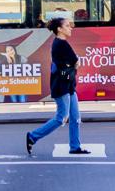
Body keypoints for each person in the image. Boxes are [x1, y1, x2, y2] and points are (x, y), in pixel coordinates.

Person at [26, 15, 86, 155]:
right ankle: (33, 136)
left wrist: (74, 63)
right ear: (59, 29)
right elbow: (76, 62)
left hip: (69, 85)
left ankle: (75, 147)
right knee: (61, 118)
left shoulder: (60, 42)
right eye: (66, 26)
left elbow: (73, 62)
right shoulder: (60, 44)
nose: (70, 28)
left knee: (75, 118)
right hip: (62, 86)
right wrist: (75, 63)